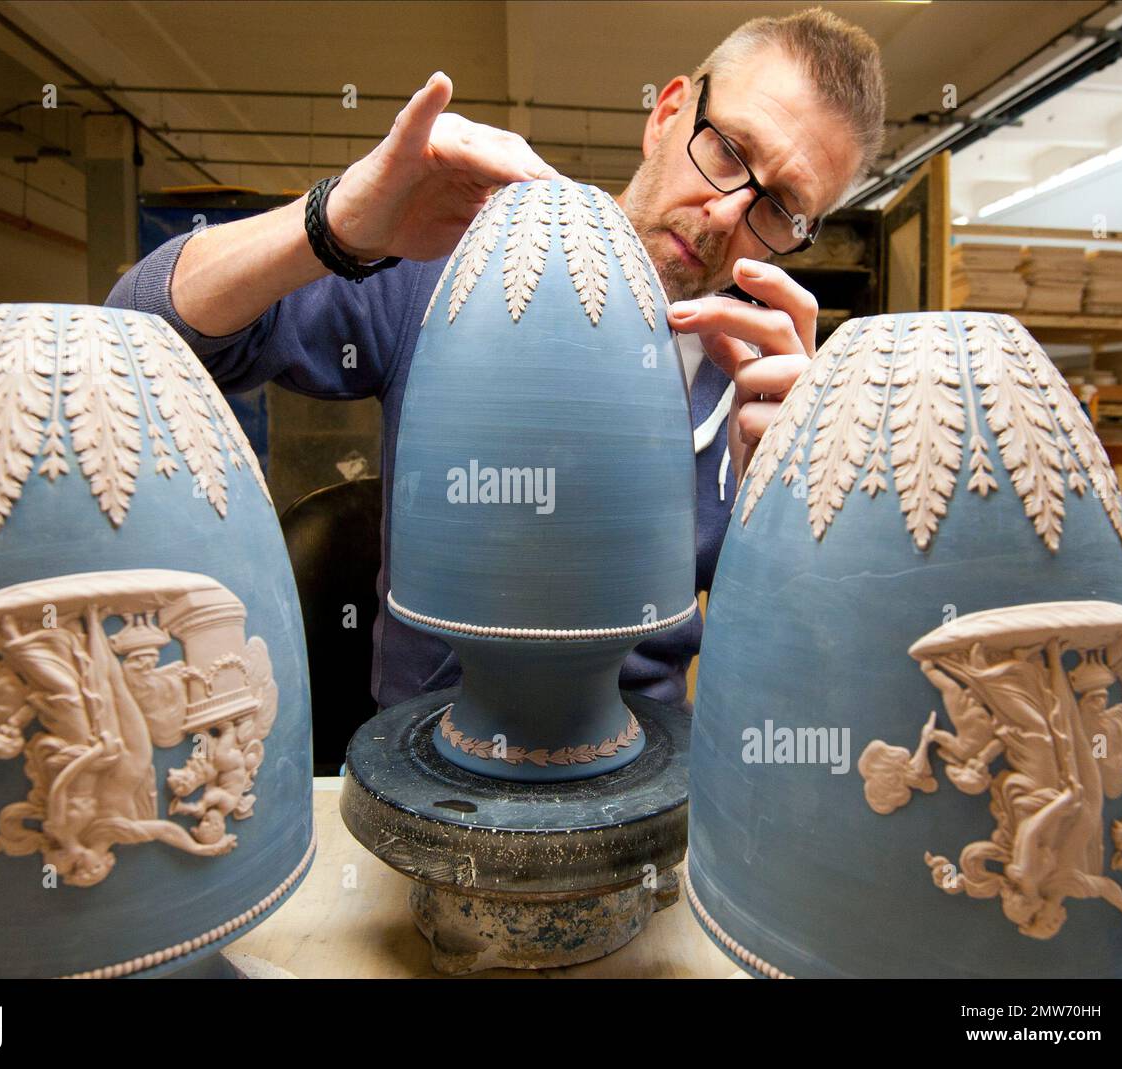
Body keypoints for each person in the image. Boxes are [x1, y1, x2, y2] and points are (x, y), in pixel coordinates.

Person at [108, 7, 887, 712]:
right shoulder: (454, 259)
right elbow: (139, 335)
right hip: (440, 768)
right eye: (726, 149)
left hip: (646, 775)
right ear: (669, 110)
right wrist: (337, 223)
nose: (727, 212)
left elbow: (809, 676)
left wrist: (793, 503)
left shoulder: (759, 378)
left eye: (781, 208)